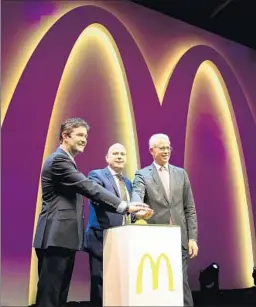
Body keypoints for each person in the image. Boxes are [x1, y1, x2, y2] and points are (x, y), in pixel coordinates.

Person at [33, 118, 152, 307]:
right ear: (65, 136)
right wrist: (125, 206)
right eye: (80, 135)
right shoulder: (59, 160)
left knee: (59, 296)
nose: (84, 140)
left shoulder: (67, 161)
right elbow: (87, 187)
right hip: (55, 236)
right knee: (50, 295)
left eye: (86, 136)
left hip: (63, 237)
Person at [131, 133, 198, 306]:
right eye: (162, 148)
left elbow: (189, 208)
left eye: (168, 147)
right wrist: (137, 209)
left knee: (181, 283)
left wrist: (192, 238)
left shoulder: (181, 174)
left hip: (179, 238)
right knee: (158, 285)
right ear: (151, 151)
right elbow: (136, 196)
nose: (166, 151)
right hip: (155, 239)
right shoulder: (142, 174)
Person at [84, 143, 152, 306]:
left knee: (118, 282)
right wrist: (128, 208)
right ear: (107, 158)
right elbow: (99, 199)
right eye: (115, 153)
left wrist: (139, 215)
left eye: (123, 154)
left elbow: (128, 212)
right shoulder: (96, 176)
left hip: (122, 240)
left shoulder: (128, 183)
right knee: (100, 281)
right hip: (101, 237)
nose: (120, 156)